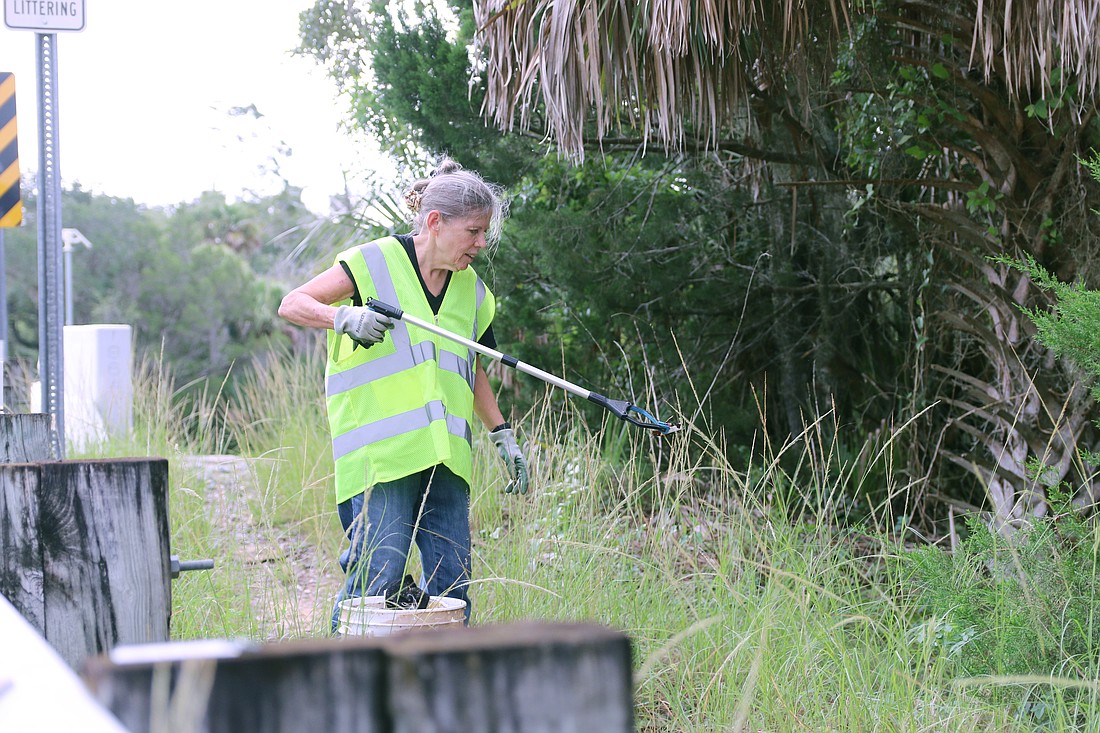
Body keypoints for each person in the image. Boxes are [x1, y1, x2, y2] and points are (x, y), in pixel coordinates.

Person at [277, 158, 529, 632]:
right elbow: (293, 303)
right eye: (473, 232)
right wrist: (343, 318)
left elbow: (469, 365)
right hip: (382, 455)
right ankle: (350, 688)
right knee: (378, 577)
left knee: (451, 585)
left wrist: (502, 434)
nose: (481, 244)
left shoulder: (473, 291)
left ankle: (442, 694)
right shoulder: (373, 262)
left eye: (484, 233)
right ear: (436, 222)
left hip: (447, 457)